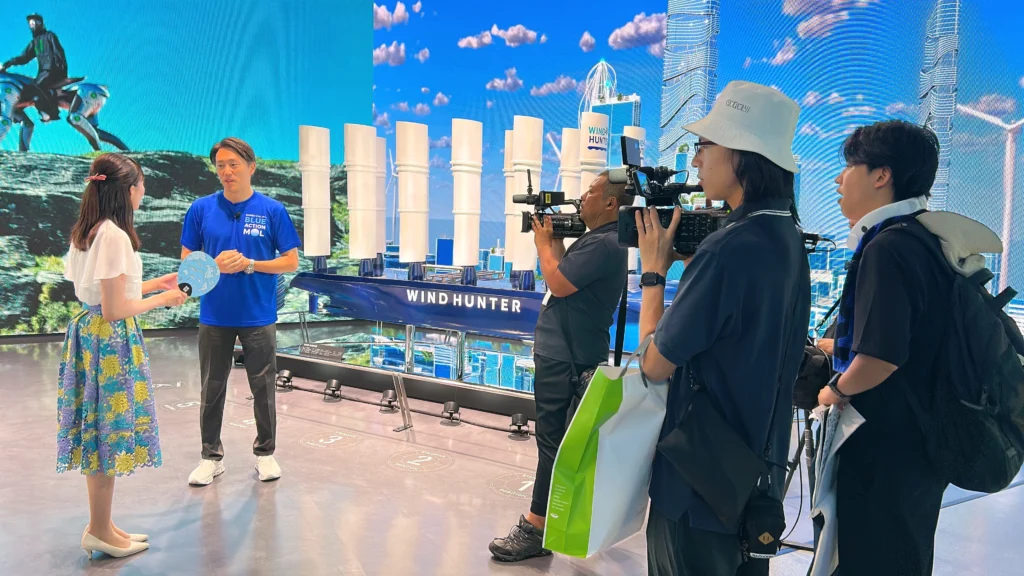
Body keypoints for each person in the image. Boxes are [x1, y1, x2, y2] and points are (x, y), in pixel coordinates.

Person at [635, 80, 810, 575]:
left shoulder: (727, 249)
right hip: (754, 481)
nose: (695, 160)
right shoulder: (787, 236)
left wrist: (654, 274)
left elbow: (654, 364)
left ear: (740, 154)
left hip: (696, 485)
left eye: (703, 146)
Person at [816, 120, 950, 575]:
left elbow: (881, 357)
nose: (839, 179)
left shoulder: (887, 247)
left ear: (881, 175)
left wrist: (834, 390)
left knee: (870, 557)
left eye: (849, 166)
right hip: (917, 444)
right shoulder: (923, 237)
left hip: (884, 448)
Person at [489, 170, 632, 562]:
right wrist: (554, 238)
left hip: (566, 358)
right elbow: (567, 274)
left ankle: (536, 529)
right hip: (569, 352)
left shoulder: (603, 243)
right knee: (559, 440)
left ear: (610, 203)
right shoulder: (602, 239)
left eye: (591, 192)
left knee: (553, 441)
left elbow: (558, 282)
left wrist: (541, 244)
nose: (582, 197)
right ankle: (554, 522)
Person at [57, 153, 189, 558]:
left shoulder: (90, 229)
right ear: (128, 190)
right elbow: (115, 309)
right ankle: (99, 530)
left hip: (91, 334)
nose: (143, 191)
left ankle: (102, 525)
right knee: (107, 434)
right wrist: (164, 299)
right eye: (141, 184)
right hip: (109, 341)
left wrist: (153, 284)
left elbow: (103, 292)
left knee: (100, 434)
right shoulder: (114, 235)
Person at [181, 137, 301, 486]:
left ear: (251, 167)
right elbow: (187, 261)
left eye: (233, 164)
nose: (227, 172)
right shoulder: (201, 209)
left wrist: (250, 264)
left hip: (258, 315)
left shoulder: (272, 210)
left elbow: (290, 261)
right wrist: (213, 264)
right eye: (220, 165)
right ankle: (210, 457)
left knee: (263, 388)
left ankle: (265, 454)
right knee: (211, 388)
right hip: (214, 314)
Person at [1, 14, 67, 122]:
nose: (34, 25)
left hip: (53, 70)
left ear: (42, 24)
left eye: (36, 22)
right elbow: (24, 57)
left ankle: (50, 112)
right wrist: (8, 63)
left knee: (37, 86)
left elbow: (59, 52)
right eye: (31, 24)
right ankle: (17, 112)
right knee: (29, 89)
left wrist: (62, 72)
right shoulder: (35, 42)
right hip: (43, 72)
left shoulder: (49, 36)